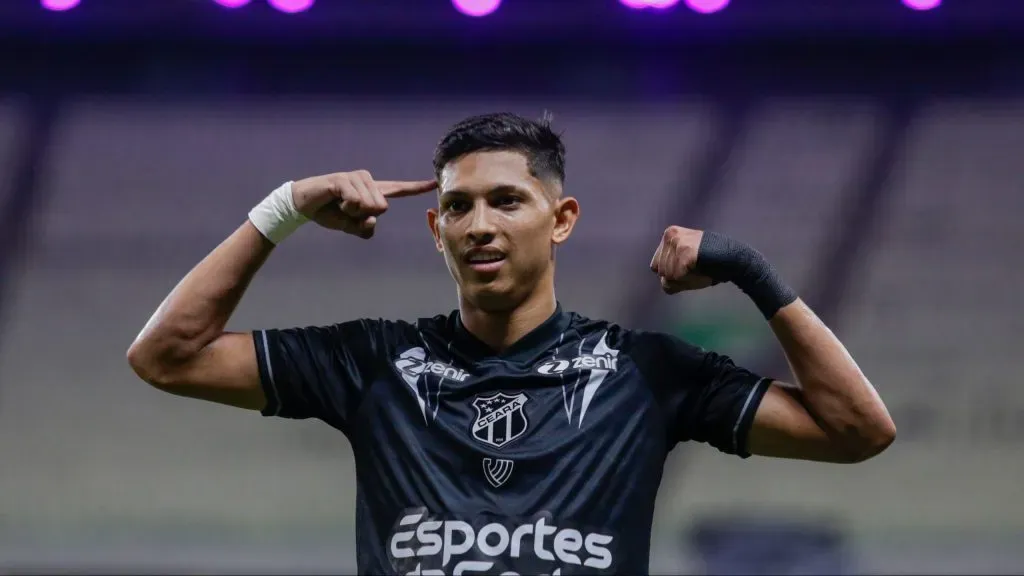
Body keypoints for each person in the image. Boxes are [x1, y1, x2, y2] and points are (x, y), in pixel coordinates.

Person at [127, 112, 895, 575]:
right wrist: (283, 207)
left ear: (560, 220)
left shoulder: (643, 372)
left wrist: (751, 272)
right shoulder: (373, 363)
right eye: (457, 207)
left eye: (506, 201)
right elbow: (166, 355)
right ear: (436, 232)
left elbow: (858, 430)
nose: (480, 225)